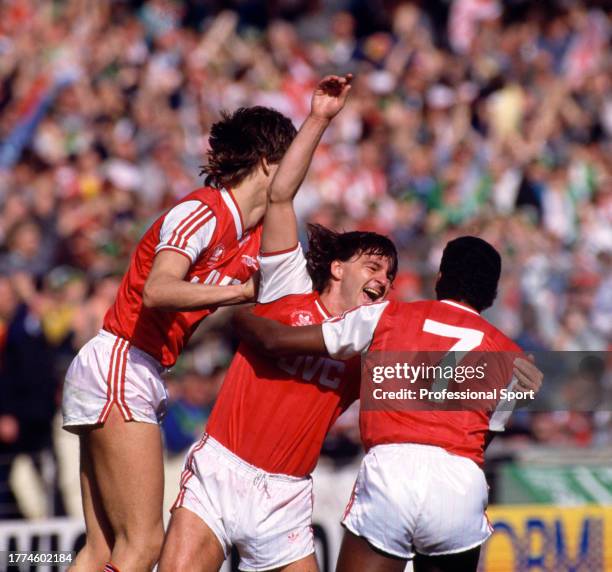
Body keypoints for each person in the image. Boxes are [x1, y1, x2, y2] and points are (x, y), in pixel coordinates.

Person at [158, 74, 396, 572]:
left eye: (390, 274)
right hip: (221, 473)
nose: (383, 279)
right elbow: (282, 196)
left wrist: (520, 382)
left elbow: (424, 385)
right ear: (337, 267)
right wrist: (319, 118)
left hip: (286, 497)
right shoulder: (287, 285)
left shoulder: (368, 346)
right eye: (373, 266)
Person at [61, 105, 297, 572]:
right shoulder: (201, 211)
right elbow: (158, 290)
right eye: (295, 158)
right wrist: (241, 292)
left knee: (103, 551)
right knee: (144, 545)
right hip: (121, 360)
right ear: (270, 160)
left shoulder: (251, 237)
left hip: (135, 367)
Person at [234, 236, 544, 572]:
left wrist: (238, 315)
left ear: (440, 279)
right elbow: (483, 440)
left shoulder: (386, 315)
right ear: (491, 295)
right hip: (457, 481)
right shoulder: (513, 360)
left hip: (391, 472)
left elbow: (275, 340)